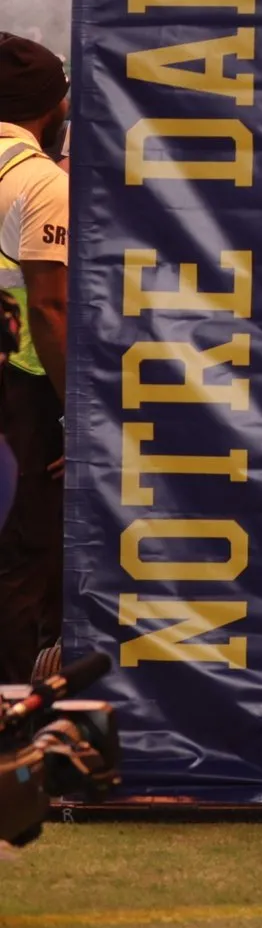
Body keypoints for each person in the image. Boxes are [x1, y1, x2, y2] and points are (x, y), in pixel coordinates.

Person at [0, 36, 68, 683]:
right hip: (20, 394)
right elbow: (48, 309)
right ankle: (9, 735)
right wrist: (83, 415)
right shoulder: (40, 181)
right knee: (18, 561)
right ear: (54, 106)